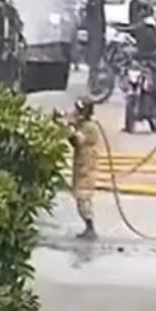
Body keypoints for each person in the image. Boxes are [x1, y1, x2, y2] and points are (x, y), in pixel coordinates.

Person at [67, 97, 102, 240]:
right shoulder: (83, 123)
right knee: (80, 196)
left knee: (83, 197)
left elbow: (77, 140)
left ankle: (90, 227)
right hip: (82, 163)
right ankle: (88, 227)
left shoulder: (89, 127)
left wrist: (69, 129)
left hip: (86, 166)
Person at [82, 0, 107, 73]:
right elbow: (90, 13)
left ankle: (95, 63)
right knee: (94, 46)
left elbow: (102, 13)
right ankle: (92, 64)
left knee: (98, 46)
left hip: (98, 26)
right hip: (94, 26)